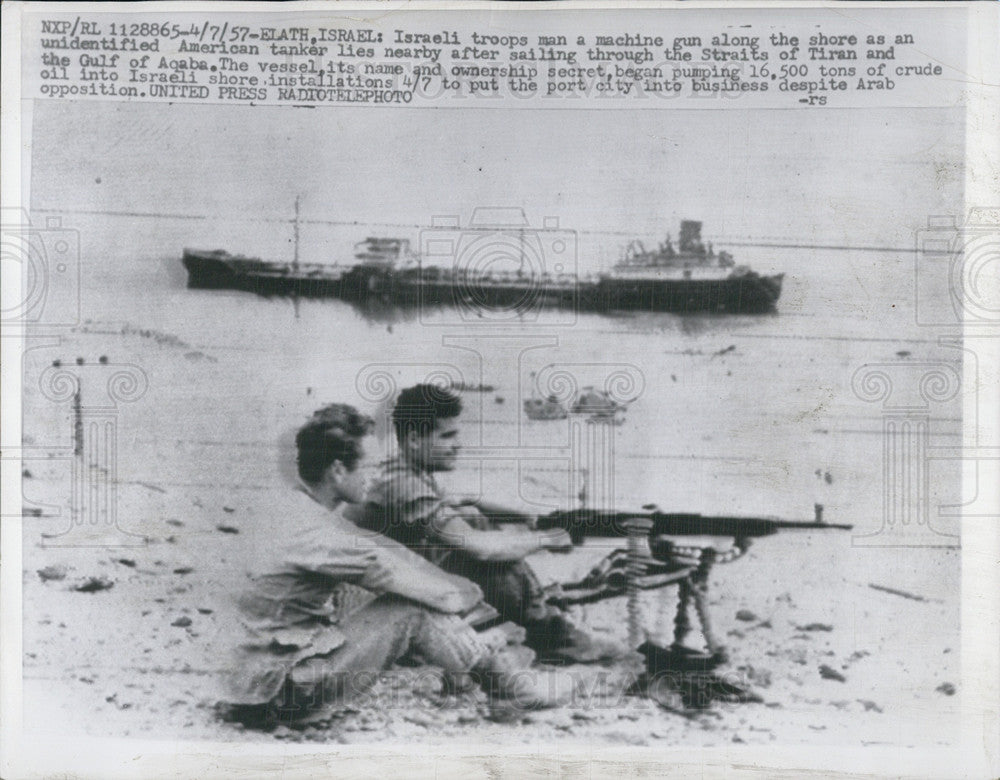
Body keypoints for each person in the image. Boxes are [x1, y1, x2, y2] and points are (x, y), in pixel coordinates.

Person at [220, 404, 575, 729]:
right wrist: (462, 601)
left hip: (247, 683)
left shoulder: (295, 509)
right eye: (370, 468)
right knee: (411, 609)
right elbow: (400, 578)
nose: (375, 477)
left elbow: (381, 554)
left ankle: (477, 668)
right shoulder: (317, 532)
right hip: (278, 694)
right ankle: (510, 687)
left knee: (402, 599)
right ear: (339, 470)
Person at [360, 384, 625, 664]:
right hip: (392, 604)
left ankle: (546, 625)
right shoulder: (402, 483)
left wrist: (534, 517)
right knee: (495, 556)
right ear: (414, 439)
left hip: (413, 588)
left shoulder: (409, 471)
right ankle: (555, 637)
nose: (458, 444)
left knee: (477, 521)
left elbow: (470, 499)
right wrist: (548, 537)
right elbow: (480, 549)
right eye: (448, 435)